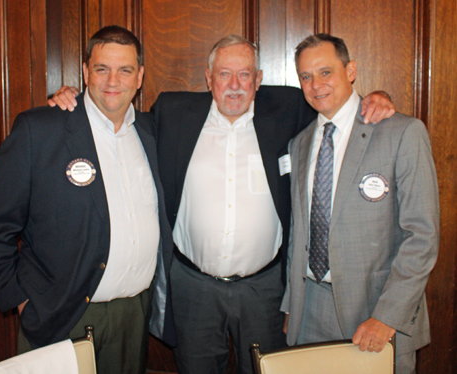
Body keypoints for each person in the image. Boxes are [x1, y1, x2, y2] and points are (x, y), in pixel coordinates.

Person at [49, 35, 394, 374]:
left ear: (258, 80)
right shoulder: (174, 112)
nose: (234, 85)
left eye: (245, 74)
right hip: (193, 286)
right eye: (224, 74)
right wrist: (74, 99)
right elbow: (115, 113)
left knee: (267, 369)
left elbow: (337, 104)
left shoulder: (289, 108)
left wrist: (376, 98)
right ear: (208, 78)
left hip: (265, 288)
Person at [0, 25, 174, 374]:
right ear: (85, 71)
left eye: (125, 70)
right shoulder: (41, 130)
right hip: (62, 315)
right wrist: (19, 299)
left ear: (140, 76)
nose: (113, 80)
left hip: (133, 316)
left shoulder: (151, 131)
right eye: (101, 68)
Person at [281, 33, 439, 374]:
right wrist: (291, 304)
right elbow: (299, 232)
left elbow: (422, 236)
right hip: (308, 309)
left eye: (325, 72)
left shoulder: (402, 133)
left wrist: (387, 316)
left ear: (350, 70)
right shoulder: (300, 144)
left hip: (375, 311)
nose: (316, 85)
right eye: (305, 77)